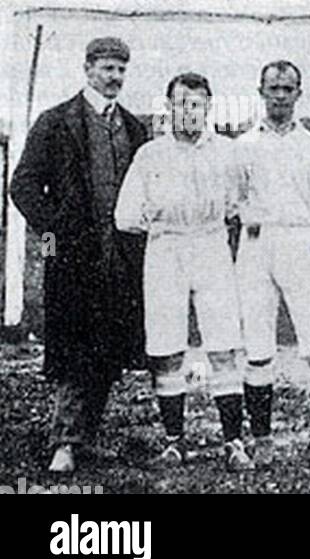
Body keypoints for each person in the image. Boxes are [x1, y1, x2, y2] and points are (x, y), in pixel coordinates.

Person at [11, 37, 150, 473]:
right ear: (88, 68)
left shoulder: (133, 127)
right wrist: (53, 230)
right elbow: (23, 185)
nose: (115, 78)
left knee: (109, 348)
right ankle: (64, 443)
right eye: (108, 69)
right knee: (75, 347)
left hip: (121, 257)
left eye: (121, 70)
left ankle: (86, 438)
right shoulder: (56, 122)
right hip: (72, 257)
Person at [115, 72, 250, 471]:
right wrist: (157, 219)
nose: (188, 110)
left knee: (224, 344)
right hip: (165, 249)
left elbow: (238, 205)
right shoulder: (150, 154)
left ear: (208, 107)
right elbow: (125, 216)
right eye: (180, 102)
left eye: (196, 103)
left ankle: (234, 442)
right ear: (168, 107)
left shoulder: (227, 152)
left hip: (211, 244)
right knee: (167, 347)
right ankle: (174, 442)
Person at [234, 60, 310, 474]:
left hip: (302, 242)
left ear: (299, 93)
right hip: (257, 245)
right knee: (258, 349)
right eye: (273, 88)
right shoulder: (242, 145)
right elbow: (234, 200)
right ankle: (262, 440)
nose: (280, 95)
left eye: (288, 88)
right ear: (260, 91)